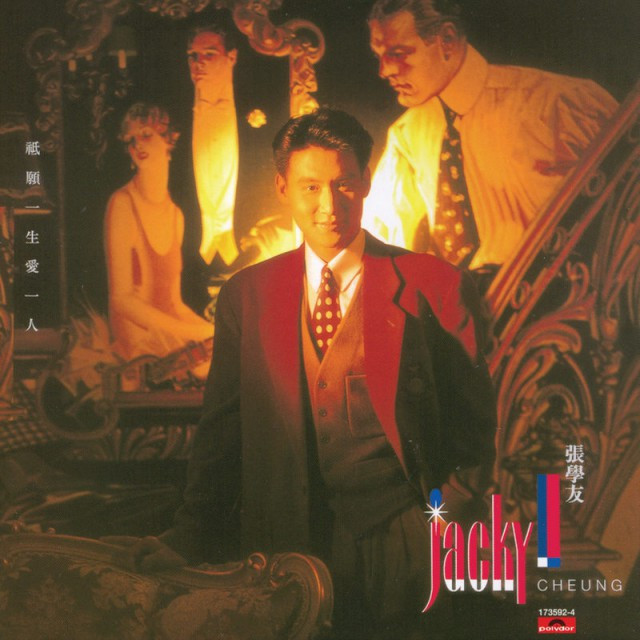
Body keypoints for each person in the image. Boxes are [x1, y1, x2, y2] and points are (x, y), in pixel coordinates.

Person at [123, 108, 496, 638]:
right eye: (311, 187)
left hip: (403, 546)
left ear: (366, 181)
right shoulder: (247, 295)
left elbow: (475, 429)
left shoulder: (433, 284)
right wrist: (187, 537)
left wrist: (443, 522)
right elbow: (221, 434)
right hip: (281, 554)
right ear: (282, 187)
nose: (329, 206)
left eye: (344, 184)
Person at [363, 0, 618, 272]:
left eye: (398, 54)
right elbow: (379, 238)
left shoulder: (558, 104)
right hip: (461, 297)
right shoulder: (406, 136)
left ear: (446, 40)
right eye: (380, 57)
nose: (385, 71)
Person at [104, 103, 213, 365]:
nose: (137, 145)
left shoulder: (176, 215)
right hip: (136, 338)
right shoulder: (122, 204)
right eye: (131, 140)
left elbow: (173, 302)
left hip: (170, 331)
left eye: (146, 135)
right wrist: (193, 333)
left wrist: (209, 330)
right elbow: (121, 301)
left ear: (168, 140)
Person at [187, 23, 240, 267]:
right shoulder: (175, 123)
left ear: (231, 57)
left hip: (250, 250)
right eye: (193, 55)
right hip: (193, 261)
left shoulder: (260, 119)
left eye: (209, 54)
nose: (198, 63)